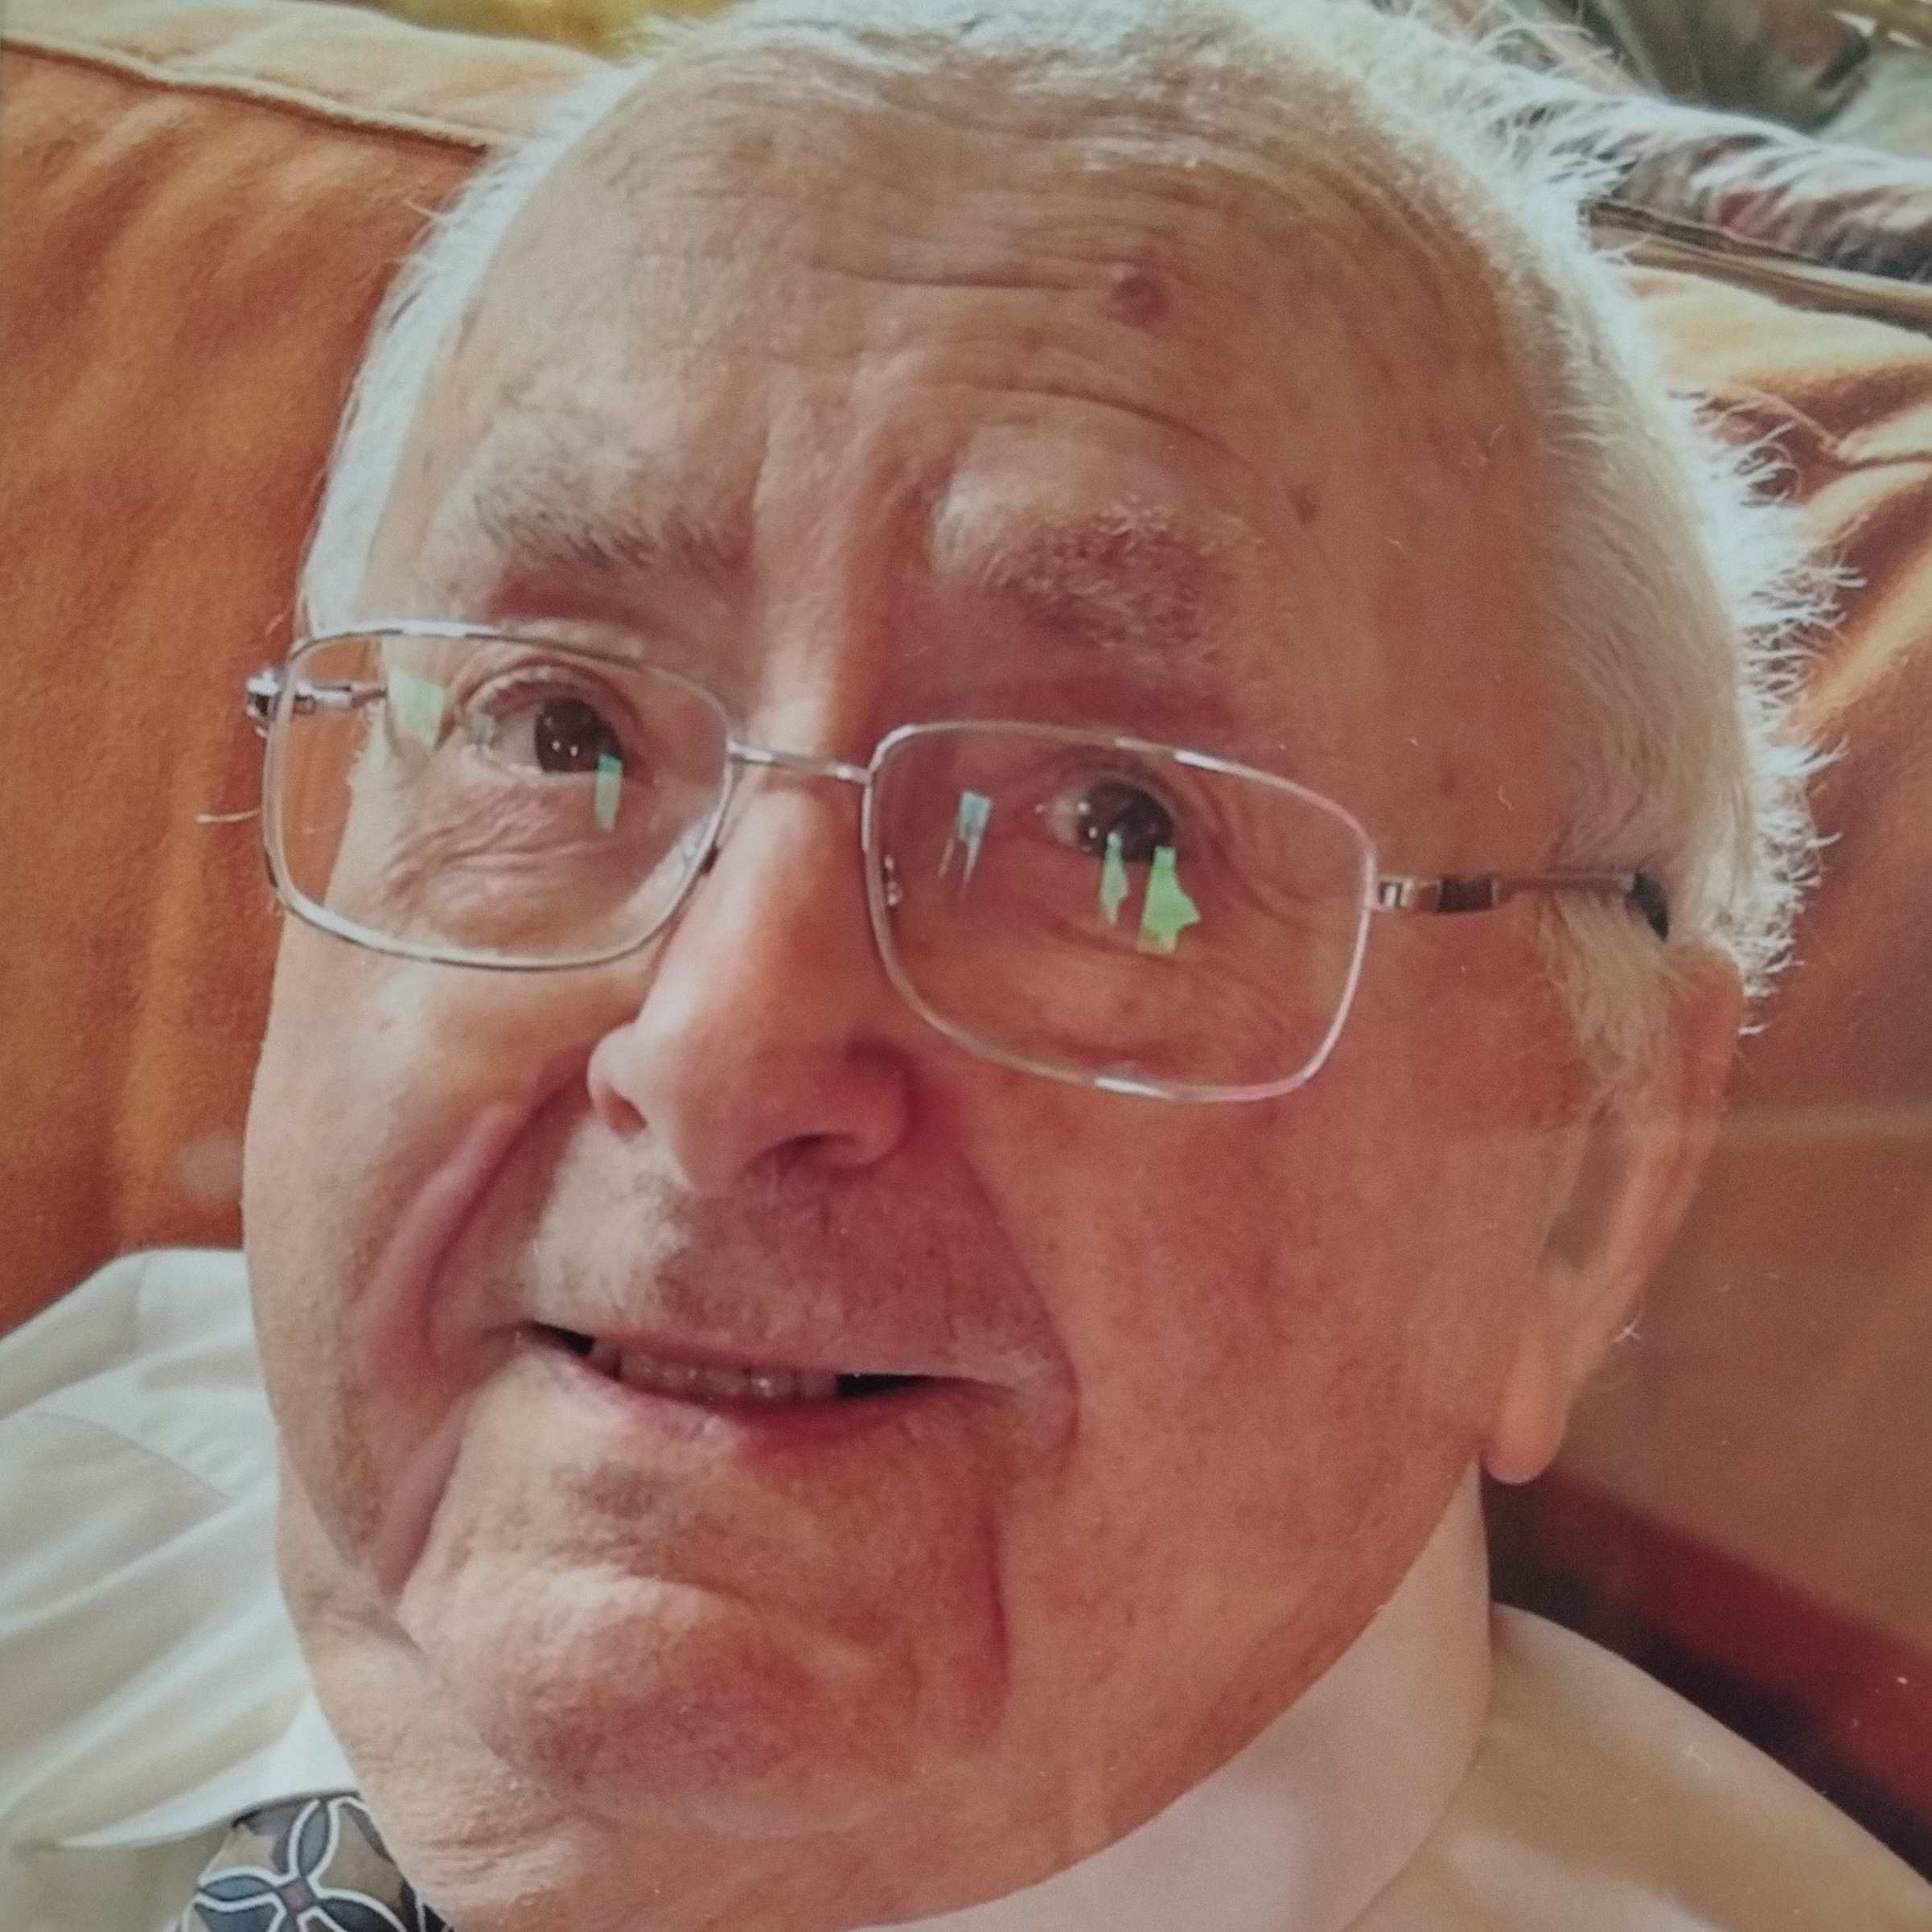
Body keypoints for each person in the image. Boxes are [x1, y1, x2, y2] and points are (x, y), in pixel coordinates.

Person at [4, 1, 1930, 1927]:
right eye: (558, 727)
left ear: (1573, 1190)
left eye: (1119, 832)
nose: (715, 1051)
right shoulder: (84, 1449)